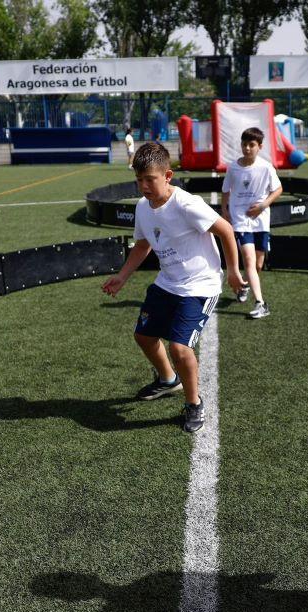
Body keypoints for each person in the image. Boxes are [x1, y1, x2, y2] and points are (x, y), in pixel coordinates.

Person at [101, 142, 243, 433]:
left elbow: (226, 231)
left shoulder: (187, 204)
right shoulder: (143, 207)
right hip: (168, 283)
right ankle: (168, 380)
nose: (143, 186)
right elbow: (143, 245)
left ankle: (194, 404)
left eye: (149, 179)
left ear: (167, 176)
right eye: (139, 180)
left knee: (180, 348)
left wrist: (232, 272)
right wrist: (123, 276)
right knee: (143, 336)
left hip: (200, 286)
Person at [221, 126, 282, 319]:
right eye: (244, 144)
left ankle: (244, 287)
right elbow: (225, 190)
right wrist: (225, 210)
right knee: (249, 260)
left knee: (257, 265)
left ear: (260, 146)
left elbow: (278, 189)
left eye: (252, 145)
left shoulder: (266, 167)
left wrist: (263, 205)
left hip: (261, 221)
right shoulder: (233, 167)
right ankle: (261, 303)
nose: (247, 148)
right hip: (240, 220)